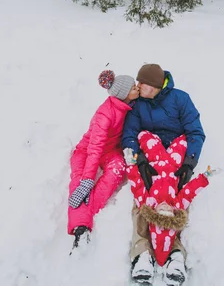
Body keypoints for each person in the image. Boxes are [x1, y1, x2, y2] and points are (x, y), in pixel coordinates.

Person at [122, 64, 206, 284]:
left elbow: (195, 131)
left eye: (143, 83)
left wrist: (189, 162)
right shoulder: (138, 104)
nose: (138, 86)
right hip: (150, 156)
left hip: (176, 158)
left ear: (156, 86)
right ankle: (142, 253)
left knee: (174, 204)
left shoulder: (180, 99)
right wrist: (139, 160)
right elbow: (129, 133)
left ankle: (175, 255)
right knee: (142, 201)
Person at [125, 131, 213, 285]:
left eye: (161, 210)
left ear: (155, 212)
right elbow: (189, 192)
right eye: (168, 210)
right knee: (182, 143)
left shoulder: (150, 202)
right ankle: (175, 258)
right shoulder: (176, 204)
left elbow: (138, 187)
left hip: (155, 162)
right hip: (173, 164)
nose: (165, 206)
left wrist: (132, 165)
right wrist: (204, 177)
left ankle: (145, 255)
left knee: (139, 213)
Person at [67, 70, 139, 252]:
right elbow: (94, 148)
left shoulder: (131, 104)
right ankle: (80, 228)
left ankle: (87, 210)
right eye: (133, 87)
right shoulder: (105, 114)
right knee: (80, 182)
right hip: (86, 151)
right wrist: (88, 179)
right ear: (123, 94)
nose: (136, 88)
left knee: (118, 168)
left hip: (110, 151)